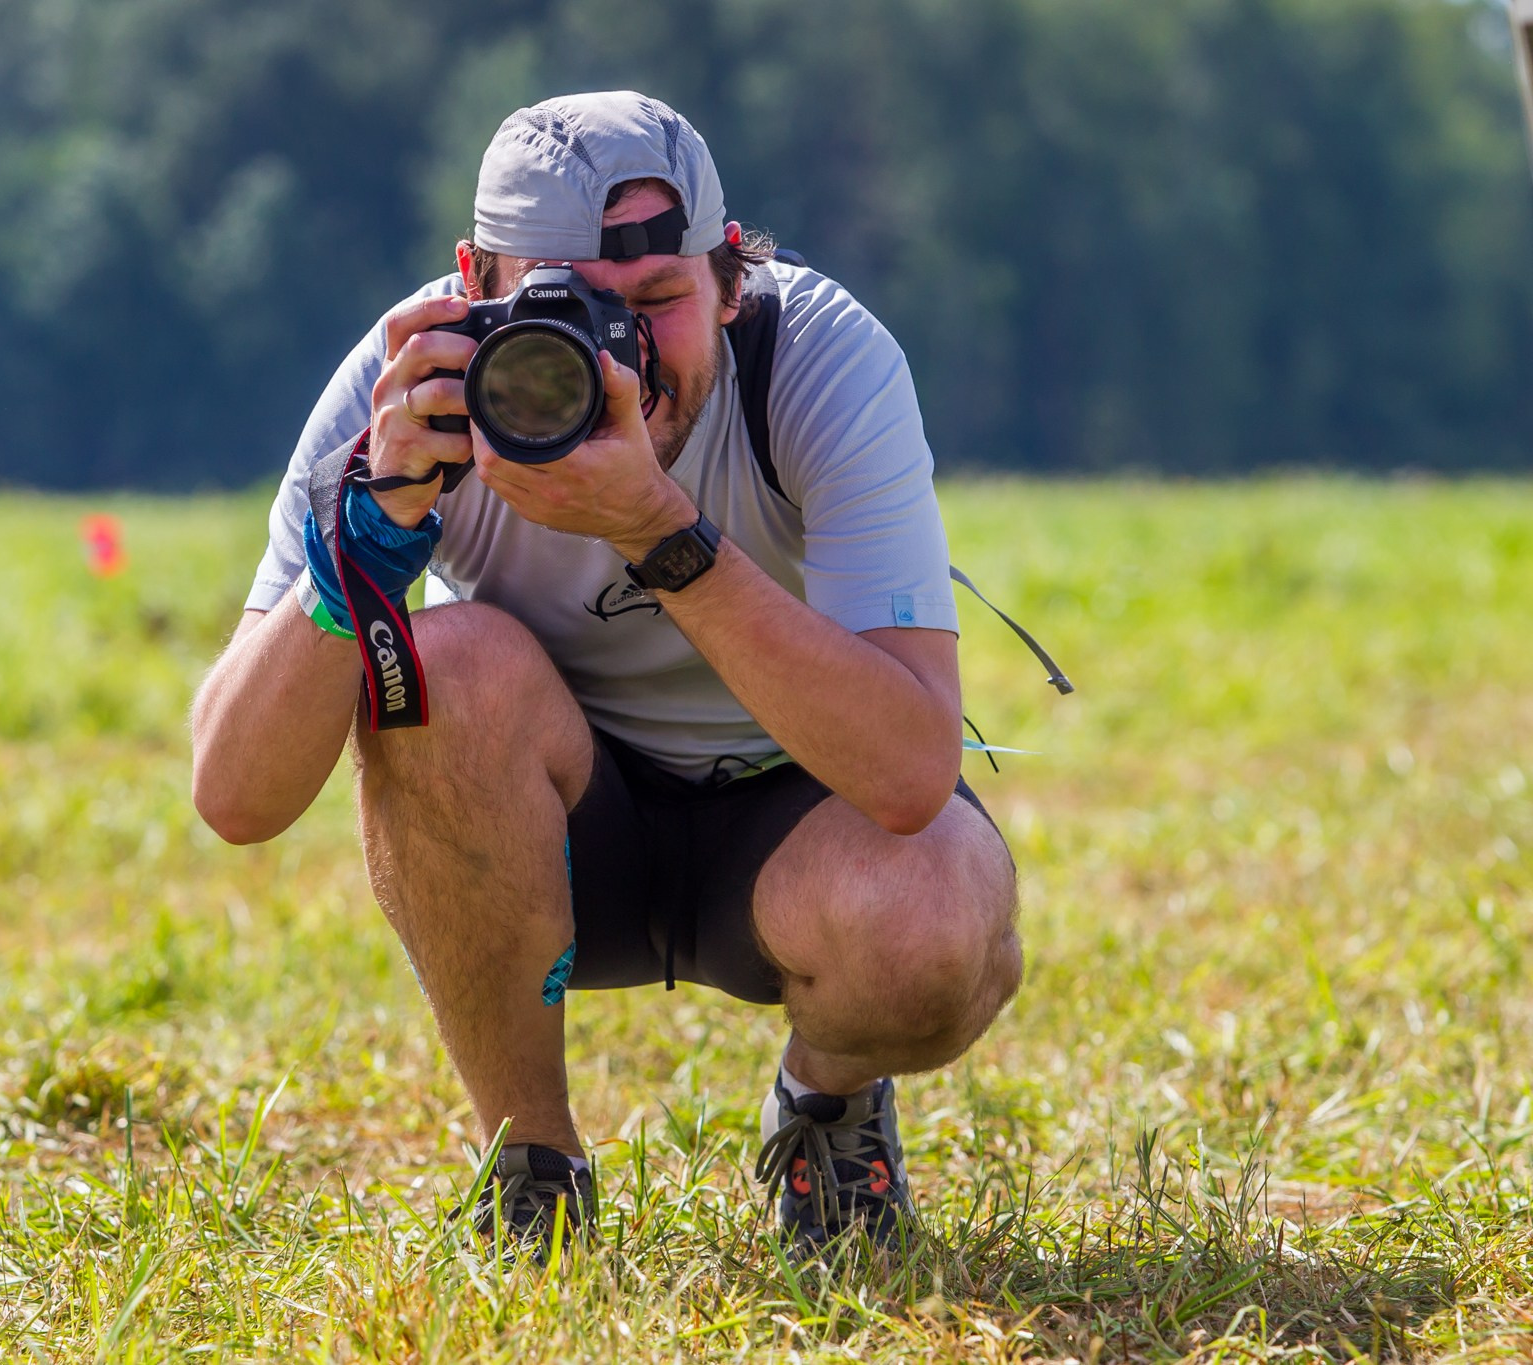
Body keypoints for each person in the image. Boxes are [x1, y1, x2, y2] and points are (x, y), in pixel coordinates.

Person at [190, 91, 1021, 1256]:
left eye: (653, 303)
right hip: (553, 831)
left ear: (732, 283)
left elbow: (908, 773)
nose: (613, 354)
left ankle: (827, 1112)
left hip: (793, 814)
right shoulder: (415, 380)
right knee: (449, 664)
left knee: (933, 918)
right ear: (472, 285)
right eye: (561, 311)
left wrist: (658, 532)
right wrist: (363, 545)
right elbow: (234, 795)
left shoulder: (821, 360)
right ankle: (529, 1167)